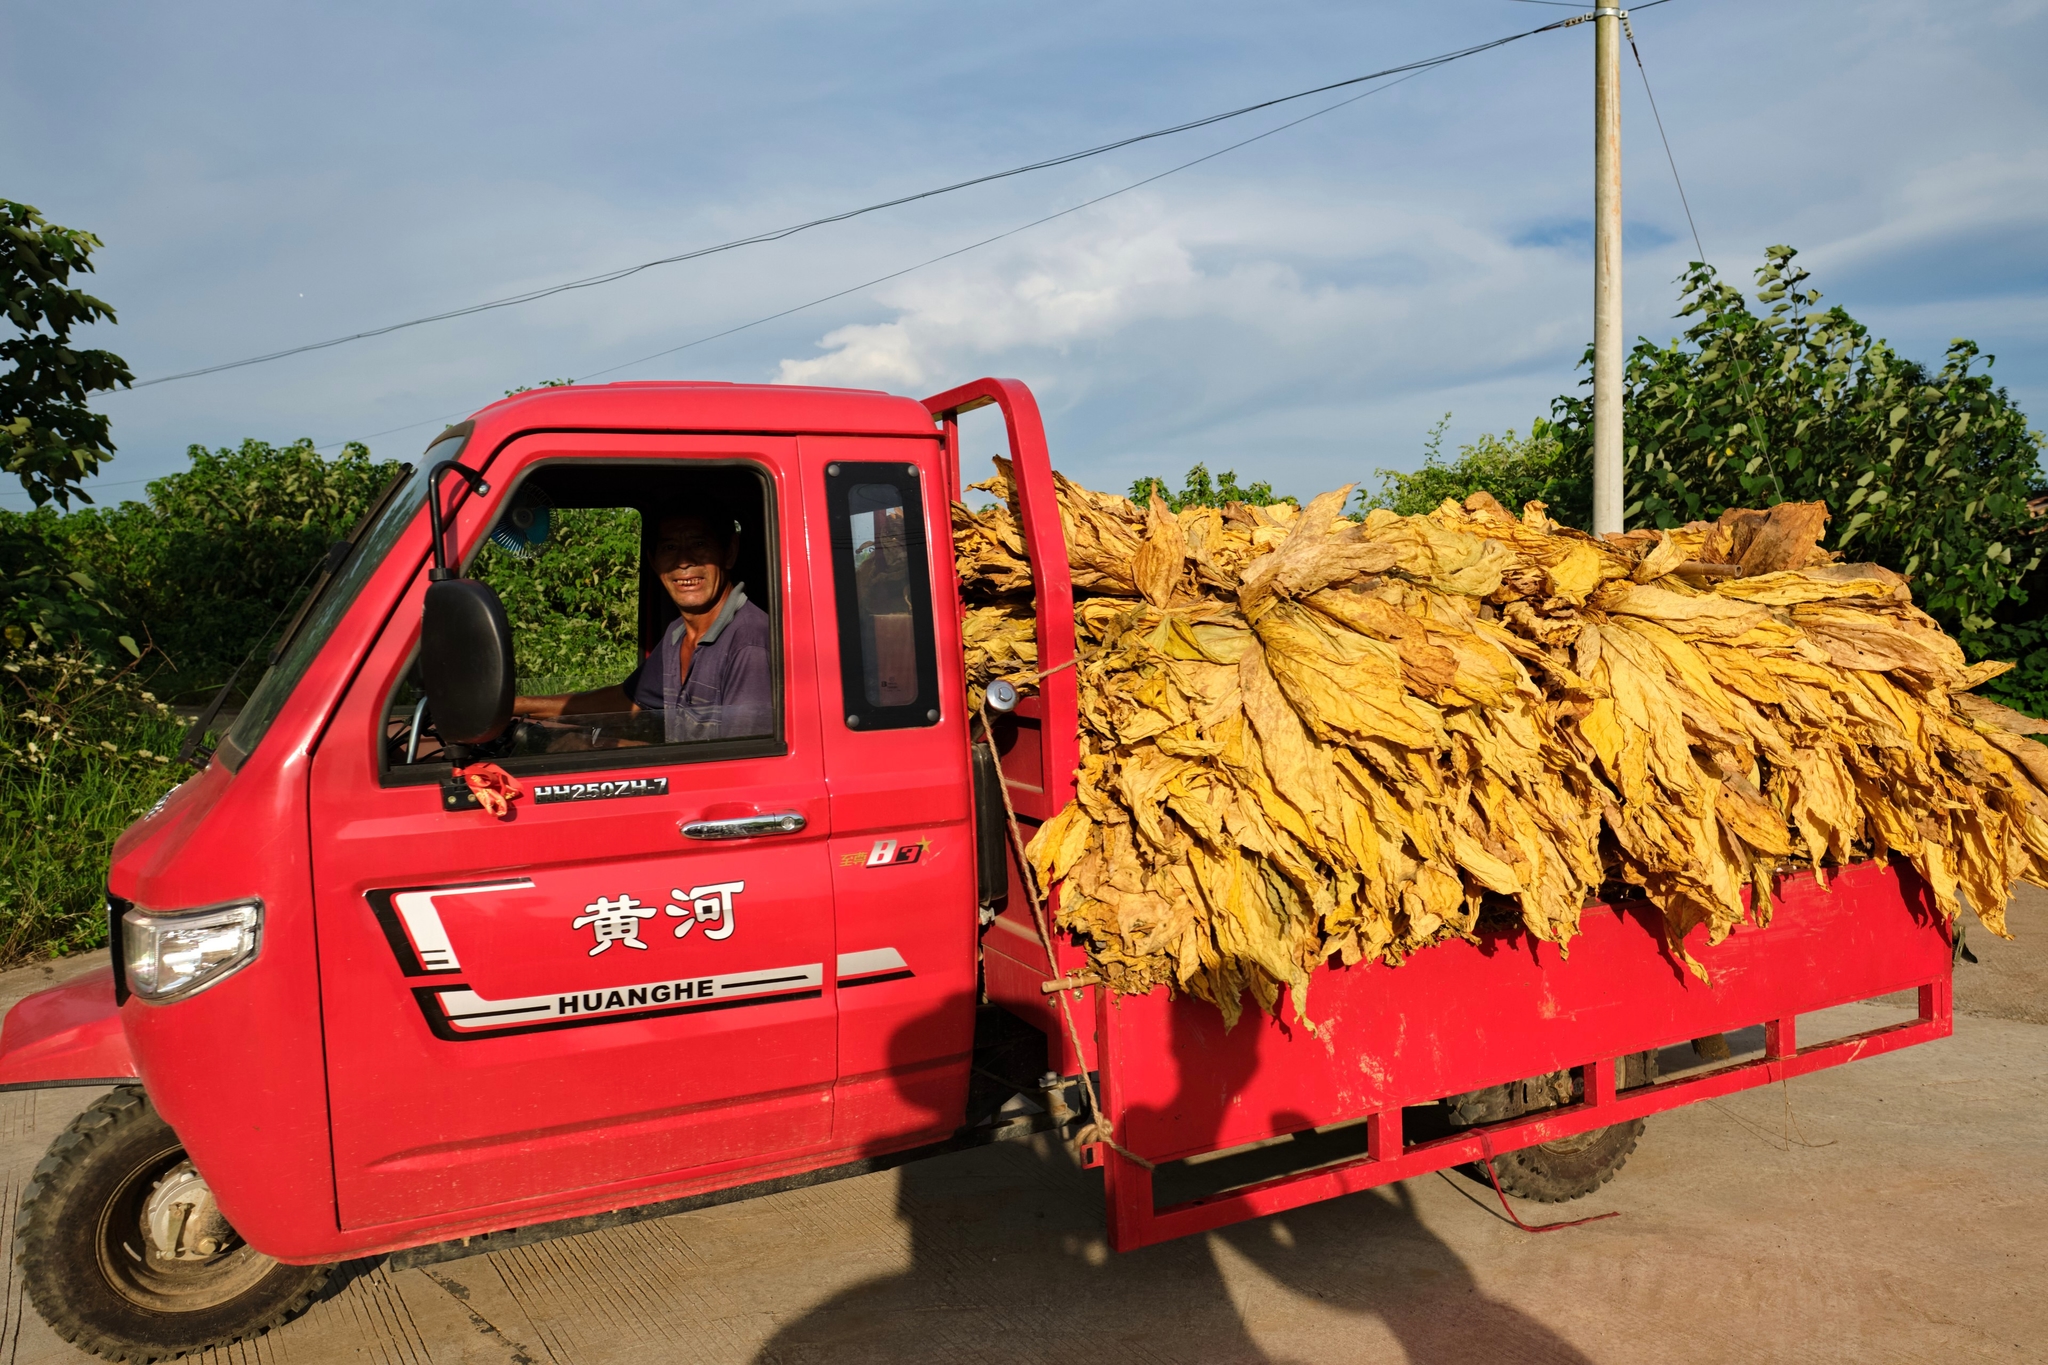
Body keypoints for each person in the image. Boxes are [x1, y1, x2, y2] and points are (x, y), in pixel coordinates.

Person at [513, 510, 772, 742]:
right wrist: (518, 705)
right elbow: (630, 701)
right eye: (670, 547)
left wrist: (601, 747)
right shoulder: (678, 633)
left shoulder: (749, 643)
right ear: (653, 562)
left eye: (699, 544)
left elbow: (741, 765)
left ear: (729, 552)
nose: (684, 561)